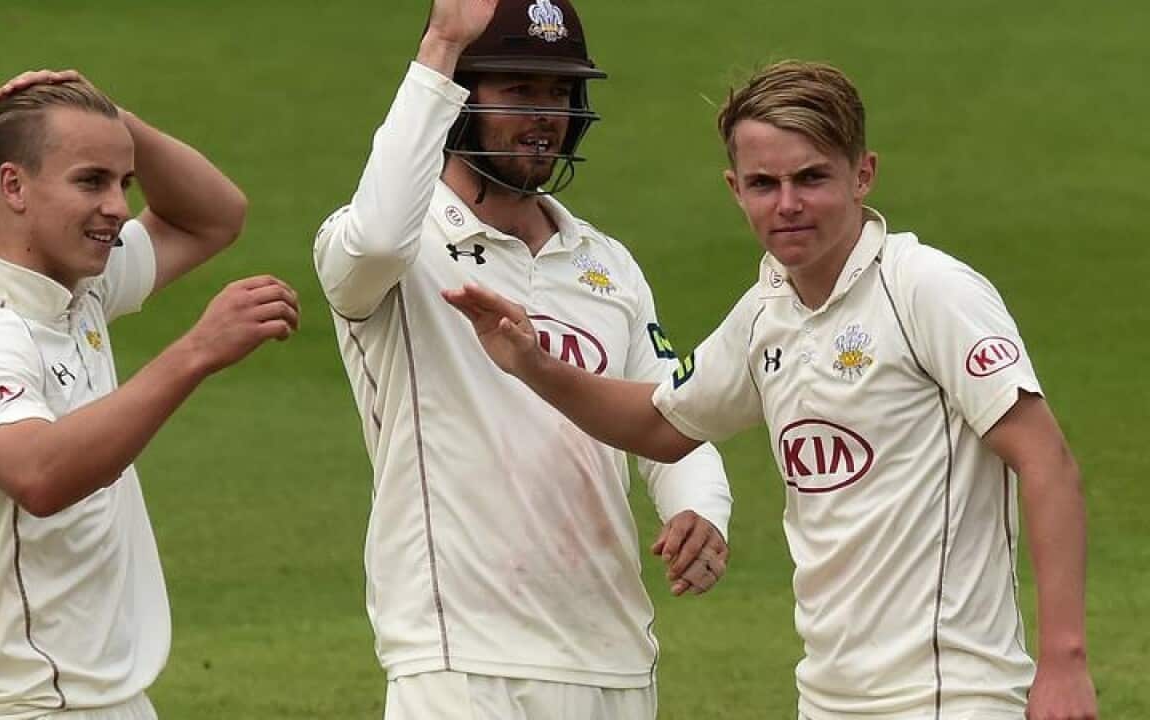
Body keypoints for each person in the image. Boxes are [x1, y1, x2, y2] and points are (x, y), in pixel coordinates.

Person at [444, 60, 1098, 719]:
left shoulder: (926, 289)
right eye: (764, 183)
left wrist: (1063, 660)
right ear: (735, 189)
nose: (787, 204)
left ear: (862, 173)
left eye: (811, 178)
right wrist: (535, 367)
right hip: (827, 701)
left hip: (954, 696)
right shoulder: (765, 314)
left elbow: (1047, 463)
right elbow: (660, 426)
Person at [312, 0, 733, 716]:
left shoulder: (607, 264)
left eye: (559, 93)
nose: (545, 114)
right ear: (459, 98)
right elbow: (378, 238)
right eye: (518, 91)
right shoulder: (396, 250)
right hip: (459, 659)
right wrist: (442, 41)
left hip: (613, 657)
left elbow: (670, 411)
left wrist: (701, 506)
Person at [0, 70, 299, 719]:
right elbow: (39, 472)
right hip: (28, 707)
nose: (117, 206)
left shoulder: (74, 289)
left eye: (125, 183)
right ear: (14, 186)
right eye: (91, 181)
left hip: (107, 701)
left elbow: (213, 217)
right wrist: (196, 351)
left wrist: (111, 120)